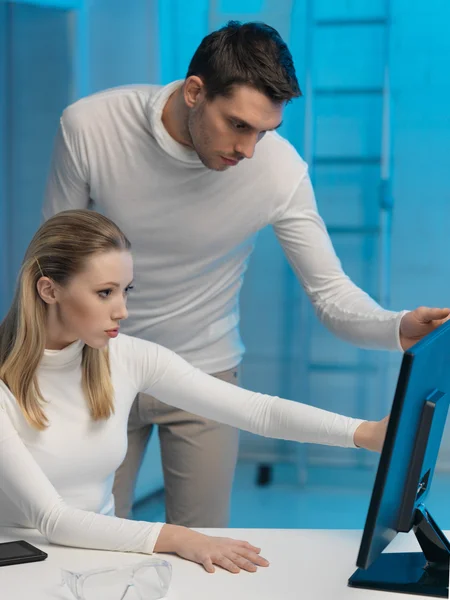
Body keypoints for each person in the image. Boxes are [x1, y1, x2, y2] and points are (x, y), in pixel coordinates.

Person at [43, 21, 450, 528]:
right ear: (195, 92)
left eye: (265, 132)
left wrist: (396, 326)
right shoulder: (90, 127)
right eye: (238, 125)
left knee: (206, 554)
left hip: (204, 371)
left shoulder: (279, 171)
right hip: (95, 366)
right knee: (90, 537)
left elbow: (331, 293)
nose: (249, 150)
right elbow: (52, 264)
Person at [0, 209, 389, 573]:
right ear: (49, 290)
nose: (122, 310)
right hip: (24, 566)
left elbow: (257, 411)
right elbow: (52, 518)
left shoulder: (127, 357)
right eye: (105, 293)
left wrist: (365, 433)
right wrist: (178, 536)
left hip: (104, 559)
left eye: (126, 290)